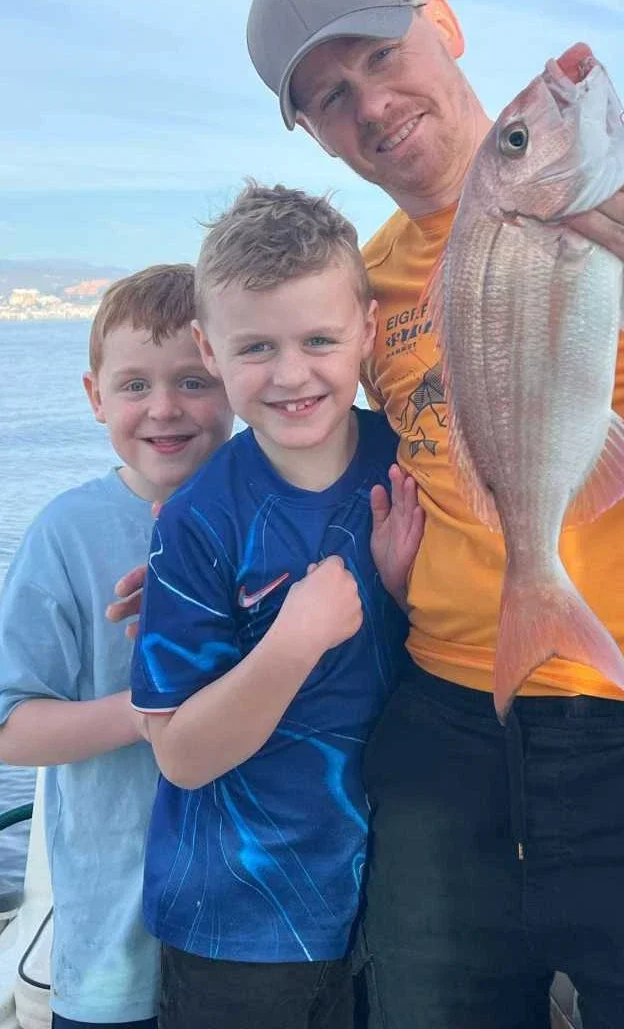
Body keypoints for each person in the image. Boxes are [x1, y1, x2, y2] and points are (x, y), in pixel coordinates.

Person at [243, 0, 624, 1029]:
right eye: (330, 97)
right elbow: (321, 463)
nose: (371, 105)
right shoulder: (365, 285)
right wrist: (186, 553)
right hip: (442, 728)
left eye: (380, 56)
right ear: (315, 133)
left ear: (445, 26)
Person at [128, 183, 423, 1029]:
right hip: (237, 925)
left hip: (390, 904)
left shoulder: (411, 465)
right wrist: (292, 641)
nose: (292, 374)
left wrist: (404, 591)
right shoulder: (197, 521)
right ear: (209, 347)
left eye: (319, 340)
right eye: (256, 346)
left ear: (367, 329)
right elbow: (181, 754)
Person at [0, 264, 235, 1029]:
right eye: (134, 386)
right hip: (114, 951)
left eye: (193, 381)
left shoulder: (275, 515)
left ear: (233, 378)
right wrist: (150, 712)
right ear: (95, 397)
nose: (164, 407)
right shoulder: (67, 532)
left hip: (256, 935)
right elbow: (11, 730)